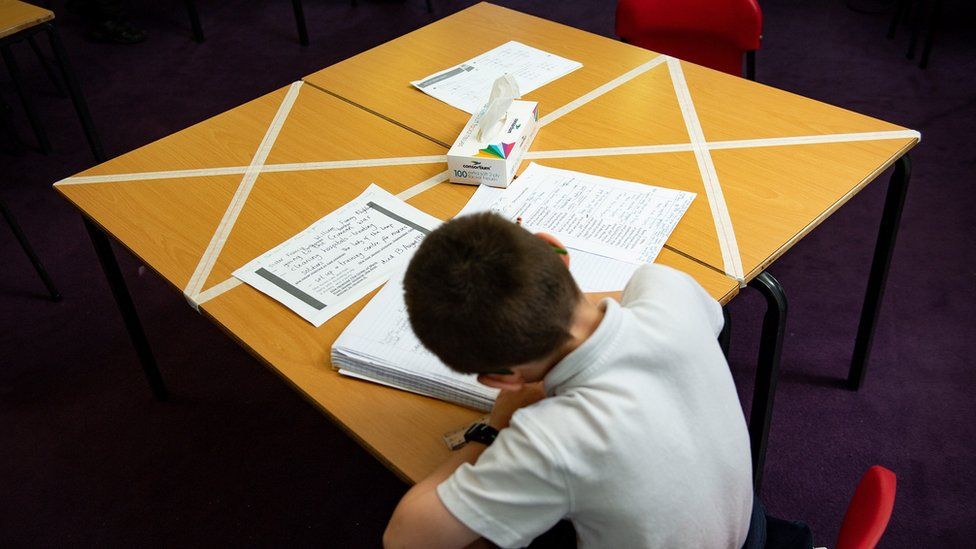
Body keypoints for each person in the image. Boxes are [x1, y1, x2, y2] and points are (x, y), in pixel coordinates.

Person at [384, 212, 753, 548]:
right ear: (557, 249)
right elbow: (711, 322)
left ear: (500, 380)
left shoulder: (551, 440)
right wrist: (540, 298)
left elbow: (405, 538)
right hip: (747, 526)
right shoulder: (666, 287)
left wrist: (493, 429)